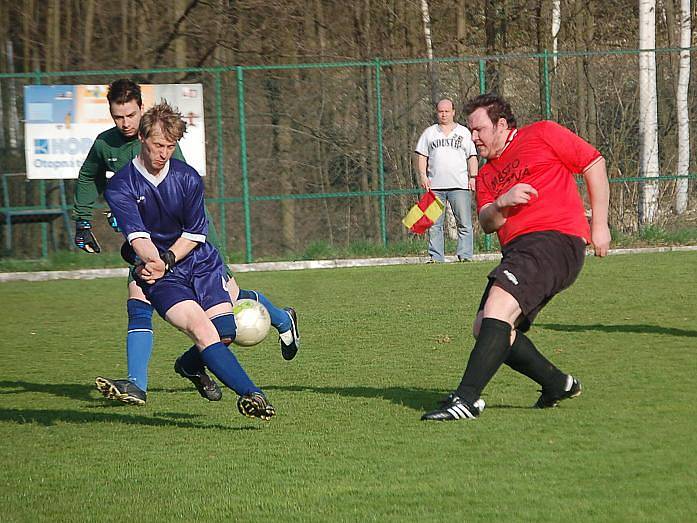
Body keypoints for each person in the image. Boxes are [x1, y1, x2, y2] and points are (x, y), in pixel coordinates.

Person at [73, 79, 299, 406]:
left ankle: (275, 321)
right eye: (118, 116)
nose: (124, 123)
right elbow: (88, 177)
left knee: (229, 309)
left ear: (142, 110)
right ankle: (137, 384)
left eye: (131, 115)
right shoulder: (105, 145)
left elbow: (181, 208)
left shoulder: (159, 143)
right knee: (138, 304)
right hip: (150, 249)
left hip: (186, 245)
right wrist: (84, 220)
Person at [421, 92, 611, 421]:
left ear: (502, 124)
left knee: (497, 308)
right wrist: (501, 203)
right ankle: (557, 383)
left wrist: (601, 224)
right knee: (486, 326)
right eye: (470, 131)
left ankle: (466, 399)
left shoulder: (543, 134)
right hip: (520, 252)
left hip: (555, 241)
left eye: (479, 129)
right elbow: (486, 223)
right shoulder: (487, 174)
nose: (473, 137)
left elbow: (593, 163)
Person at [104, 101, 276, 420]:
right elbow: (137, 236)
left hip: (200, 262)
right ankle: (254, 394)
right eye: (158, 145)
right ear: (142, 139)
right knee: (201, 329)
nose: (163, 153)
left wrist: (166, 258)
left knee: (226, 330)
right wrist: (155, 263)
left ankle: (188, 366)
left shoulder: (188, 178)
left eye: (170, 146)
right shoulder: (121, 186)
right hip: (161, 276)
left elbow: (196, 233)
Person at [414, 98, 479, 263]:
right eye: (440, 111)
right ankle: (436, 257)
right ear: (437, 112)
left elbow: (472, 156)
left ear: (453, 112)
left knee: (464, 223)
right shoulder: (429, 133)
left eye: (447, 111)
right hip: (435, 186)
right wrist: (423, 175)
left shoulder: (464, 132)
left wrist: (473, 177)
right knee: (434, 224)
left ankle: (465, 256)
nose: (443, 114)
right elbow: (421, 155)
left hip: (460, 185)